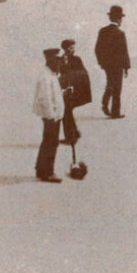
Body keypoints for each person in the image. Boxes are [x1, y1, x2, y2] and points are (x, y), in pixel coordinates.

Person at [33, 47, 66, 183]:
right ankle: (48, 172)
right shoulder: (46, 76)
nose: (59, 64)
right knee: (51, 143)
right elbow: (45, 98)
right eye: (56, 61)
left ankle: (41, 169)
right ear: (50, 60)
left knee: (48, 142)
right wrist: (51, 116)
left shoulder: (50, 73)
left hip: (53, 115)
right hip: (51, 116)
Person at [95, 5, 130, 118]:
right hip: (118, 65)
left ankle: (105, 102)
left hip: (107, 65)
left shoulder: (103, 31)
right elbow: (124, 52)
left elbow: (97, 48)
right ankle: (115, 112)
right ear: (118, 19)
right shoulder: (120, 34)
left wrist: (101, 62)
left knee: (110, 82)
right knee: (117, 88)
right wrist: (126, 67)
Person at [58, 38, 92, 145]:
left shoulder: (77, 59)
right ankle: (73, 133)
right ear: (65, 48)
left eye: (73, 47)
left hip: (76, 90)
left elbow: (83, 73)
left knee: (66, 110)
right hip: (65, 90)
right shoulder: (60, 60)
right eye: (70, 47)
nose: (72, 50)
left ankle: (70, 136)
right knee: (66, 110)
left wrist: (70, 78)